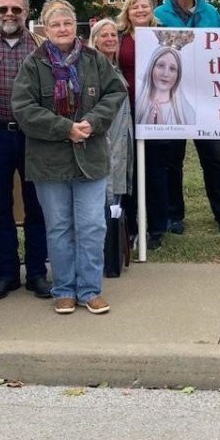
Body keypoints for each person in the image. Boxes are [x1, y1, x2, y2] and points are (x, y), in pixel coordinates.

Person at [12, 4, 127, 314]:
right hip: (49, 162)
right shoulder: (33, 65)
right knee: (59, 227)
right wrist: (65, 129)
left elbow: (116, 92)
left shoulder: (94, 60)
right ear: (45, 30)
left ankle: (90, 289)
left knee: (91, 225)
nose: (62, 28)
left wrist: (94, 121)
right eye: (55, 24)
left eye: (67, 23)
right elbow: (23, 109)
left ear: (75, 27)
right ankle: (64, 288)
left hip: (90, 158)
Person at [0, 0, 50, 300]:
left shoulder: (42, 46)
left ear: (26, 13)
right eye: (3, 9)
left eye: (15, 10)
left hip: (34, 136)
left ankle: (36, 273)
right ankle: (6, 274)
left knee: (37, 206)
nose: (9, 15)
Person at [154, 0, 220, 236]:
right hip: (172, 96)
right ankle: (173, 215)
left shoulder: (211, 14)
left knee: (214, 157)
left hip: (206, 98)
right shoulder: (159, 15)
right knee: (171, 160)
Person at [117, 0, 170, 250]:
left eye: (144, 6)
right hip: (125, 112)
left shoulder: (163, 36)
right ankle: (130, 225)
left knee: (156, 170)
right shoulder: (118, 37)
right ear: (127, 11)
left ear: (152, 10)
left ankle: (158, 226)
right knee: (129, 171)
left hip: (156, 111)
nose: (140, 10)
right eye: (134, 7)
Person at [91, 17, 133, 275]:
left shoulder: (115, 68)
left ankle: (112, 254)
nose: (110, 39)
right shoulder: (93, 69)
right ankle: (100, 255)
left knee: (114, 198)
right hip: (103, 141)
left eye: (113, 35)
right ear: (94, 39)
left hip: (121, 141)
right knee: (100, 198)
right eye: (103, 35)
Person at [135, 45, 194, 125]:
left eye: (172, 69)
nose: (165, 74)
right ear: (152, 68)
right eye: (160, 66)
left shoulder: (187, 112)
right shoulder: (137, 106)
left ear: (178, 75)